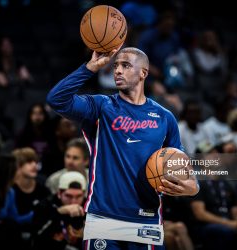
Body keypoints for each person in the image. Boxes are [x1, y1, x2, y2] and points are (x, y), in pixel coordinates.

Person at [46, 46, 199, 249]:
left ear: (143, 73)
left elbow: (180, 162)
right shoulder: (100, 107)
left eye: (125, 65)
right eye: (116, 65)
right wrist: (89, 68)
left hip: (147, 219)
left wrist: (193, 186)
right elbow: (56, 100)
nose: (117, 70)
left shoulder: (164, 117)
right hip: (103, 218)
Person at [32, 171, 87, 250]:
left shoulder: (90, 208)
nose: (73, 202)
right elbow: (37, 238)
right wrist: (58, 212)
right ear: (59, 194)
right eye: (68, 196)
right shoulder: (45, 206)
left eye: (79, 196)